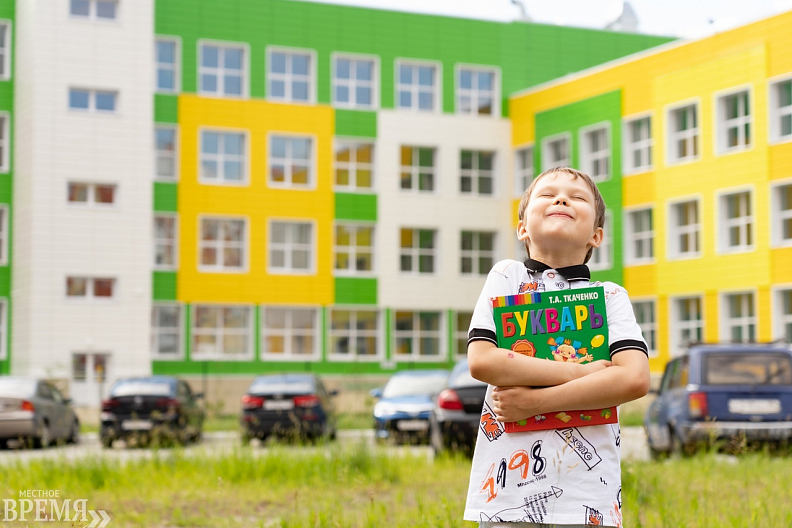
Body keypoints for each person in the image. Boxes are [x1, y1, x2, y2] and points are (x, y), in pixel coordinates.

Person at [464, 167, 650, 527]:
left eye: (577, 197)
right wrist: (581, 372)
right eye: (548, 195)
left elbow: (634, 379)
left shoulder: (611, 297)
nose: (562, 199)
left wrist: (534, 403)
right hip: (506, 496)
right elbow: (483, 360)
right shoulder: (507, 277)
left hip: (587, 498)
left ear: (596, 235)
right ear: (522, 228)